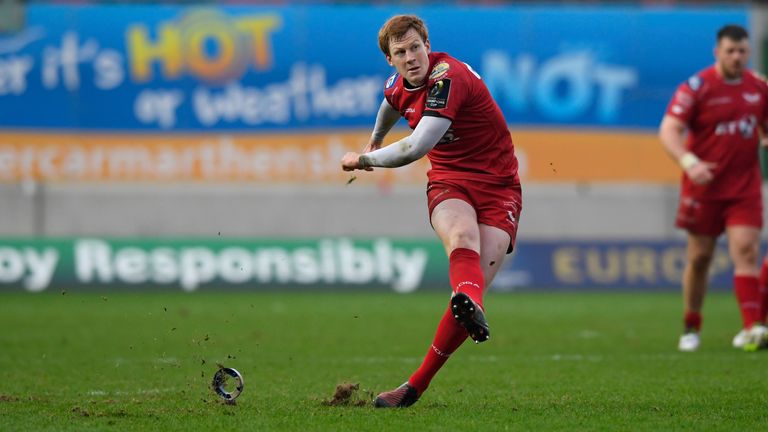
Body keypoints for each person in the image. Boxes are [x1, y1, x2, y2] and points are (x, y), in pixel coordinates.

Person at [341, 15, 522, 407]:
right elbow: (391, 101)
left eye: (415, 47)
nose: (410, 58)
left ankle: (416, 384)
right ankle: (466, 303)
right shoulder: (399, 81)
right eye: (400, 52)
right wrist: (375, 137)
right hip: (450, 179)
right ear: (390, 60)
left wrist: (364, 160)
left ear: (428, 43)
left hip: (499, 187)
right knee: (462, 239)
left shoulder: (446, 78)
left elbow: (415, 147)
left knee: (473, 288)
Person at [659, 24, 768, 352]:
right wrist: (690, 163)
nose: (737, 57)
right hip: (703, 188)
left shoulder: (759, 88)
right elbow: (669, 130)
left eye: (742, 51)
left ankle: (752, 329)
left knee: (746, 250)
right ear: (717, 52)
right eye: (730, 51)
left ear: (748, 52)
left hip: (744, 187)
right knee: (700, 258)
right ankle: (692, 323)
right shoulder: (697, 87)